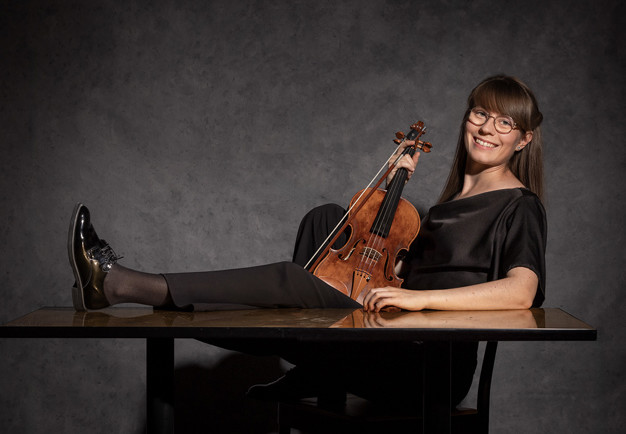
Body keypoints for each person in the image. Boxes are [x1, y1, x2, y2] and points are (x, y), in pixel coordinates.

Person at [68, 74, 546, 408]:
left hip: (427, 368)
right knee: (328, 220)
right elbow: (393, 272)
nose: (487, 129)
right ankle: (307, 356)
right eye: (481, 113)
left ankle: (118, 284)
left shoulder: (517, 204)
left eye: (505, 123)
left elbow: (521, 290)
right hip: (393, 339)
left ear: (523, 140)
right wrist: (387, 196)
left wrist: (419, 302)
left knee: (289, 283)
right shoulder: (442, 209)